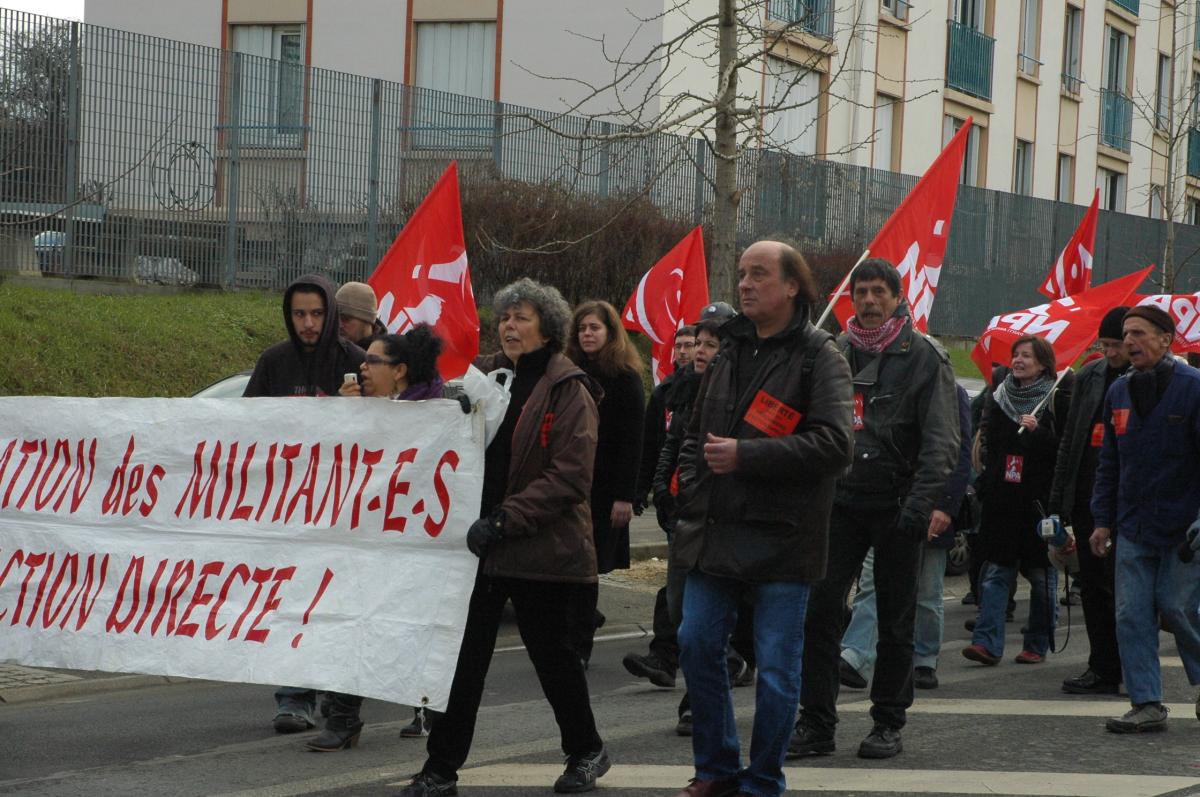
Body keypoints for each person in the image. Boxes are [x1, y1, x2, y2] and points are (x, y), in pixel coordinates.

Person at [399, 278, 610, 797]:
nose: (510, 326)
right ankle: (440, 770)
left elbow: (569, 477)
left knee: (554, 661)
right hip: (482, 548)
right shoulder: (484, 378)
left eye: (522, 318)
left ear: (548, 328)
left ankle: (586, 750)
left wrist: (505, 519)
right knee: (463, 664)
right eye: (505, 318)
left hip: (540, 548)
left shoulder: (569, 388)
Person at [670, 241, 854, 797]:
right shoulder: (727, 349)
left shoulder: (820, 356)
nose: (745, 284)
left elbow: (836, 445)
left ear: (792, 286)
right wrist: (691, 491)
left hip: (784, 540)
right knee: (696, 644)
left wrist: (747, 456)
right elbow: (694, 435)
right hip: (716, 532)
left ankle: (764, 779)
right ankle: (716, 769)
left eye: (759, 274)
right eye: (742, 273)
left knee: (776, 669)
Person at [790, 258, 958, 762]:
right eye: (860, 291)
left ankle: (887, 721)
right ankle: (817, 721)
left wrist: (920, 505)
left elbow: (941, 441)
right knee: (819, 612)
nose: (868, 300)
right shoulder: (834, 350)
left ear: (897, 298)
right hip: (839, 502)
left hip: (898, 505)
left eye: (878, 292)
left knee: (895, 619)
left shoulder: (924, 356)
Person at [304, 326, 445, 752]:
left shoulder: (433, 414)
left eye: (372, 361)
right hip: (365, 543)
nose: (362, 368)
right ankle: (344, 715)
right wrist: (345, 415)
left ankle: (423, 706)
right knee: (355, 622)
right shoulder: (368, 409)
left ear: (399, 371)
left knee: (405, 629)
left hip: (411, 546)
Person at [243, 274, 365, 734]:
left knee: (335, 604)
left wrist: (359, 407)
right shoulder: (273, 362)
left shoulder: (358, 362)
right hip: (288, 511)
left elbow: (388, 427)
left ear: (331, 313)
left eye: (316, 313)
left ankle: (337, 697)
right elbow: (244, 428)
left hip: (344, 511)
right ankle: (293, 698)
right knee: (292, 602)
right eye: (299, 314)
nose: (308, 324)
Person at [623, 305, 754, 737]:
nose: (698, 351)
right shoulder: (682, 391)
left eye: (710, 344)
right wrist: (662, 489)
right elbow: (672, 445)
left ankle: (698, 701)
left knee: (710, 613)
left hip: (726, 519)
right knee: (682, 608)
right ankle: (726, 663)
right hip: (686, 519)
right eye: (697, 343)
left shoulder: (740, 393)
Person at [1090, 305, 1200, 733]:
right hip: (1134, 525)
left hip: (1184, 527)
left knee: (1177, 607)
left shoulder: (1193, 388)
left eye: (1138, 333)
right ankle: (1147, 703)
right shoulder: (1118, 393)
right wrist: (1102, 520)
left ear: (1165, 339)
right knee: (1130, 614)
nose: (1129, 342)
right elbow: (1109, 463)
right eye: (1126, 334)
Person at [839, 384, 973, 692]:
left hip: (929, 503)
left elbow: (959, 453)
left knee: (927, 591)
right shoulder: (884, 384)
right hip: (888, 505)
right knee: (871, 584)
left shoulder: (950, 392)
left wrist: (945, 506)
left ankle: (924, 659)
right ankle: (856, 655)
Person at [962, 336, 1070, 668]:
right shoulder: (1000, 395)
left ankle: (1036, 643)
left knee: (1040, 577)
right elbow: (989, 441)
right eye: (1016, 355)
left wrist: (1038, 433)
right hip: (1003, 500)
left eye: (1027, 356)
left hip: (1037, 503)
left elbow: (1064, 449)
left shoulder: (1055, 397)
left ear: (1043, 364)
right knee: (996, 573)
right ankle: (986, 643)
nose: (1019, 361)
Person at [1046, 308, 1129, 695]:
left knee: (1124, 592)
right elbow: (1070, 439)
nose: (1111, 353)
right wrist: (1058, 499)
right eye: (1105, 345)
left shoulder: (1144, 378)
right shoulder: (1090, 375)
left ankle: (1132, 666)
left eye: (1117, 345)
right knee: (1093, 587)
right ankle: (1102, 667)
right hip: (1087, 497)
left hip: (1126, 503)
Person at [565, 300, 646, 661]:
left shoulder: (625, 378)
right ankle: (582, 620)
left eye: (594, 328)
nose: (587, 334)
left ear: (610, 333)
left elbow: (633, 442)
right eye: (582, 328)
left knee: (588, 568)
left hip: (605, 489)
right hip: (572, 485)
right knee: (568, 566)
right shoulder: (569, 372)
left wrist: (625, 496)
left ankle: (579, 646)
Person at [636, 324, 697, 513]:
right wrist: (642, 487)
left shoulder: (713, 386)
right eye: (678, 346)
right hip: (667, 484)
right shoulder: (663, 392)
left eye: (689, 345)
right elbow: (649, 443)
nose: (682, 351)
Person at [335, 281, 387, 347]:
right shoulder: (328, 348)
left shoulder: (384, 352)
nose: (339, 325)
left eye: (345, 319)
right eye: (335, 318)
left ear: (367, 320)